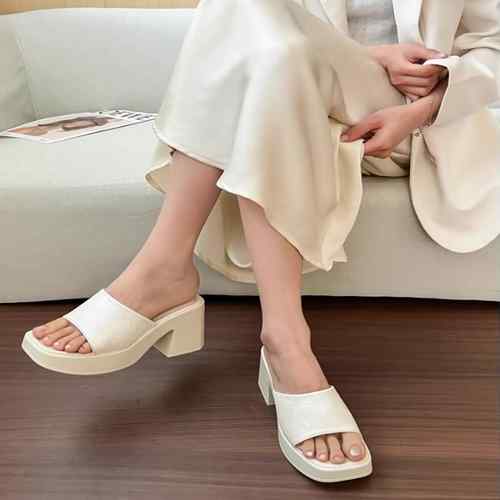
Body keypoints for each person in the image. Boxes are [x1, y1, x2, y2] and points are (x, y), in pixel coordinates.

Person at [22, 0, 500, 483]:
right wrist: (371, 55)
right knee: (268, 45)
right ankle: (286, 342)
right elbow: (285, 37)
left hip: (405, 117)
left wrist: (423, 108)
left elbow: (494, 46)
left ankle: (163, 270)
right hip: (298, 87)